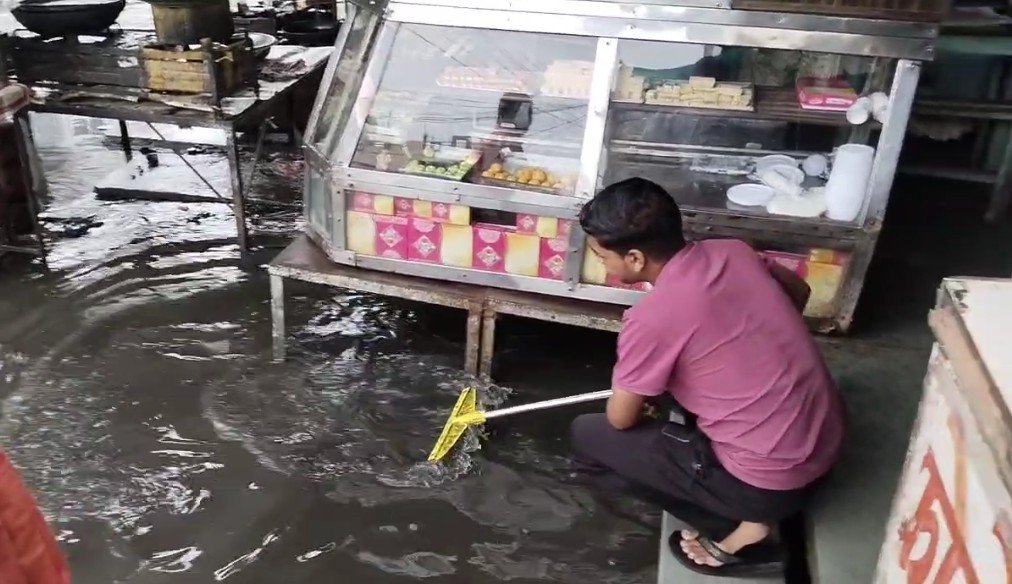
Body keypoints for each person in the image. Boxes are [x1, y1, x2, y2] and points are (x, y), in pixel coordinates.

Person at [570, 177, 844, 578]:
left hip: (770, 484)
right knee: (678, 387)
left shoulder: (652, 318)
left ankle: (743, 531)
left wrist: (637, 395)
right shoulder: (733, 251)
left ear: (635, 258)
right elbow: (799, 292)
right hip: (826, 438)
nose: (601, 264)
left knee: (588, 436)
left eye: (601, 255)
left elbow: (621, 418)